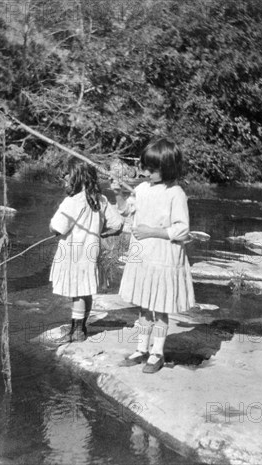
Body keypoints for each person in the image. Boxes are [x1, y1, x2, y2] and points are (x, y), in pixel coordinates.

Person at [112, 138, 195, 373]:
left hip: (164, 256)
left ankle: (157, 352)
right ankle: (141, 348)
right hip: (143, 257)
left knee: (160, 306)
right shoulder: (141, 189)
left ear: (168, 168)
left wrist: (152, 231)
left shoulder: (176, 193)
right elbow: (127, 211)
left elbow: (182, 229)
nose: (146, 172)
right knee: (144, 305)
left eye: (152, 169)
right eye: (144, 167)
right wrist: (118, 194)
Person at [49, 160, 123, 343]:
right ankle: (80, 326)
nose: (65, 180)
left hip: (74, 253)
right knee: (86, 290)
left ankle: (77, 330)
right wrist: (101, 233)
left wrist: (52, 228)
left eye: (67, 176)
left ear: (76, 177)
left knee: (77, 292)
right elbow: (118, 225)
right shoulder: (101, 199)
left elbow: (57, 228)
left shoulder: (71, 201)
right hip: (92, 251)